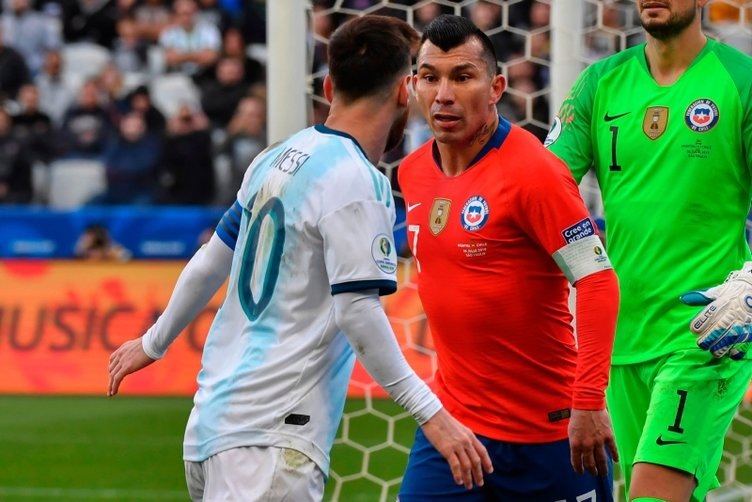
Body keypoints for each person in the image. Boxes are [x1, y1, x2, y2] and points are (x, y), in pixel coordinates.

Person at [107, 14, 492, 501]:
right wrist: (431, 414)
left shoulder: (275, 156)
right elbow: (357, 311)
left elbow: (209, 262)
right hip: (272, 441)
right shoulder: (357, 181)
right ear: (405, 91)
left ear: (329, 87)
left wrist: (153, 342)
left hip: (210, 428)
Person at [398, 14, 620, 501]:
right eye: (430, 77)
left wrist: (589, 399)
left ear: (496, 87)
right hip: (454, 428)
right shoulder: (412, 172)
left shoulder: (536, 172)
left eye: (462, 77)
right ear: (414, 85)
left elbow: (597, 280)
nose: (443, 95)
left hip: (549, 434)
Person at [545, 1, 752, 501]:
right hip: (621, 337)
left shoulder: (741, 80)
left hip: (706, 332)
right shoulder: (600, 82)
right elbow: (543, 188)